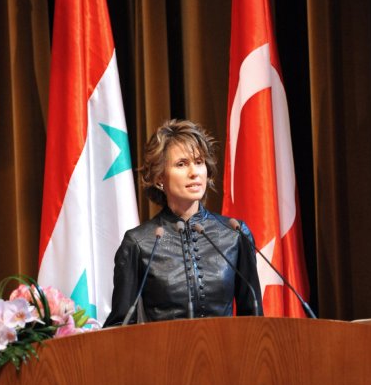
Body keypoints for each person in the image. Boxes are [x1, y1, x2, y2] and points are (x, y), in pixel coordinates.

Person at [103, 119, 263, 326]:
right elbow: (120, 326)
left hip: (225, 347)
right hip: (164, 347)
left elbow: (254, 320)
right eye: (181, 164)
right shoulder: (139, 243)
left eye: (199, 162)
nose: (194, 172)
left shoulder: (234, 234)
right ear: (160, 177)